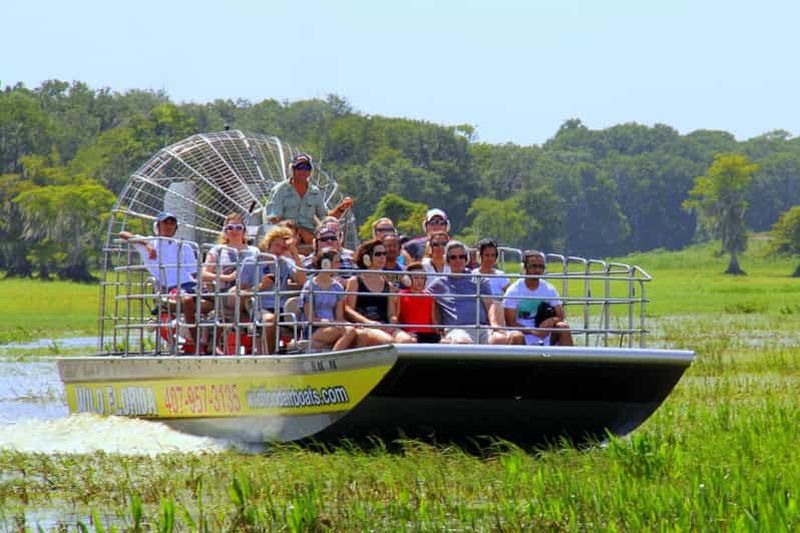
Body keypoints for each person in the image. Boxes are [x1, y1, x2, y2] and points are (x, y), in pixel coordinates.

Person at [119, 212, 209, 353]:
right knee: (187, 300)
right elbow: (123, 234)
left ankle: (214, 343)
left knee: (219, 299)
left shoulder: (184, 246)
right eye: (165, 223)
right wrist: (147, 245)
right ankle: (198, 344)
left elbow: (194, 273)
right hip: (170, 288)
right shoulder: (150, 242)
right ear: (157, 226)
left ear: (176, 228)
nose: (168, 226)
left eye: (172, 223)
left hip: (191, 285)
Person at [426, 240, 521, 345]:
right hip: (456, 330)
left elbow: (490, 305)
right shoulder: (439, 284)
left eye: (461, 257)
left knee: (501, 339)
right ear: (447, 260)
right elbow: (421, 296)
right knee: (463, 341)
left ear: (466, 259)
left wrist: (495, 327)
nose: (458, 260)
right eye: (453, 257)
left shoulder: (479, 279)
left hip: (482, 328)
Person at [266, 153, 353, 246]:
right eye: (299, 167)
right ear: (292, 170)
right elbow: (274, 218)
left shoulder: (315, 192)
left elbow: (324, 217)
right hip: (285, 235)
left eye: (307, 168)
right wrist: (298, 231)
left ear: (310, 171)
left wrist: (341, 208)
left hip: (310, 236)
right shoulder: (280, 190)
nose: (303, 171)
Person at [247, 226, 307, 354]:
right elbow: (240, 293)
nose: (279, 250)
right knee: (270, 320)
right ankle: (270, 356)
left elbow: (302, 281)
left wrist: (294, 253)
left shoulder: (285, 262)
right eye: (276, 245)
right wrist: (261, 286)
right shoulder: (251, 263)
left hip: (283, 307)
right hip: (261, 307)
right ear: (268, 244)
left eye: (283, 247)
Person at [344, 238, 415, 345]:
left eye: (384, 254)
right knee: (387, 341)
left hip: (384, 326)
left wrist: (392, 324)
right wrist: (368, 322)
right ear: (367, 257)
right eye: (378, 254)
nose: (383, 257)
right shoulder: (355, 281)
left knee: (407, 341)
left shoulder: (388, 285)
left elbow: (391, 314)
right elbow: (348, 309)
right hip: (365, 327)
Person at [503, 250, 574, 346]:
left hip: (546, 333)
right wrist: (533, 331)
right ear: (524, 267)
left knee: (563, 327)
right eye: (533, 266)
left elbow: (560, 315)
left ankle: (569, 355)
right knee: (516, 337)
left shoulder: (549, 289)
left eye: (541, 267)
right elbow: (510, 322)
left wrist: (551, 320)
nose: (537, 270)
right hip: (522, 333)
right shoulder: (513, 290)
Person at [201, 213, 261, 319]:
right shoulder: (217, 250)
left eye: (238, 227)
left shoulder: (254, 251)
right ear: (225, 231)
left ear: (244, 231)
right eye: (230, 228)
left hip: (250, 290)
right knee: (238, 292)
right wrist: (227, 278)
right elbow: (203, 274)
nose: (234, 230)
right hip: (225, 292)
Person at [300, 248, 358, 351]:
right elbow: (310, 319)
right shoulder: (310, 287)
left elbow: (339, 317)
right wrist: (332, 322)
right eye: (337, 262)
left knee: (355, 331)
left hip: (333, 326)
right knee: (350, 331)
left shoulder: (338, 287)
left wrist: (341, 323)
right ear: (325, 264)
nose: (339, 265)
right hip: (314, 329)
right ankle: (335, 356)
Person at [397, 262, 440, 343]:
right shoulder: (401, 295)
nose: (419, 281)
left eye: (422, 278)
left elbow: (433, 320)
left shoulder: (429, 297)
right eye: (416, 277)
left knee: (445, 341)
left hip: (429, 334)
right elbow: (397, 318)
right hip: (411, 334)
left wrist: (439, 333)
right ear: (408, 279)